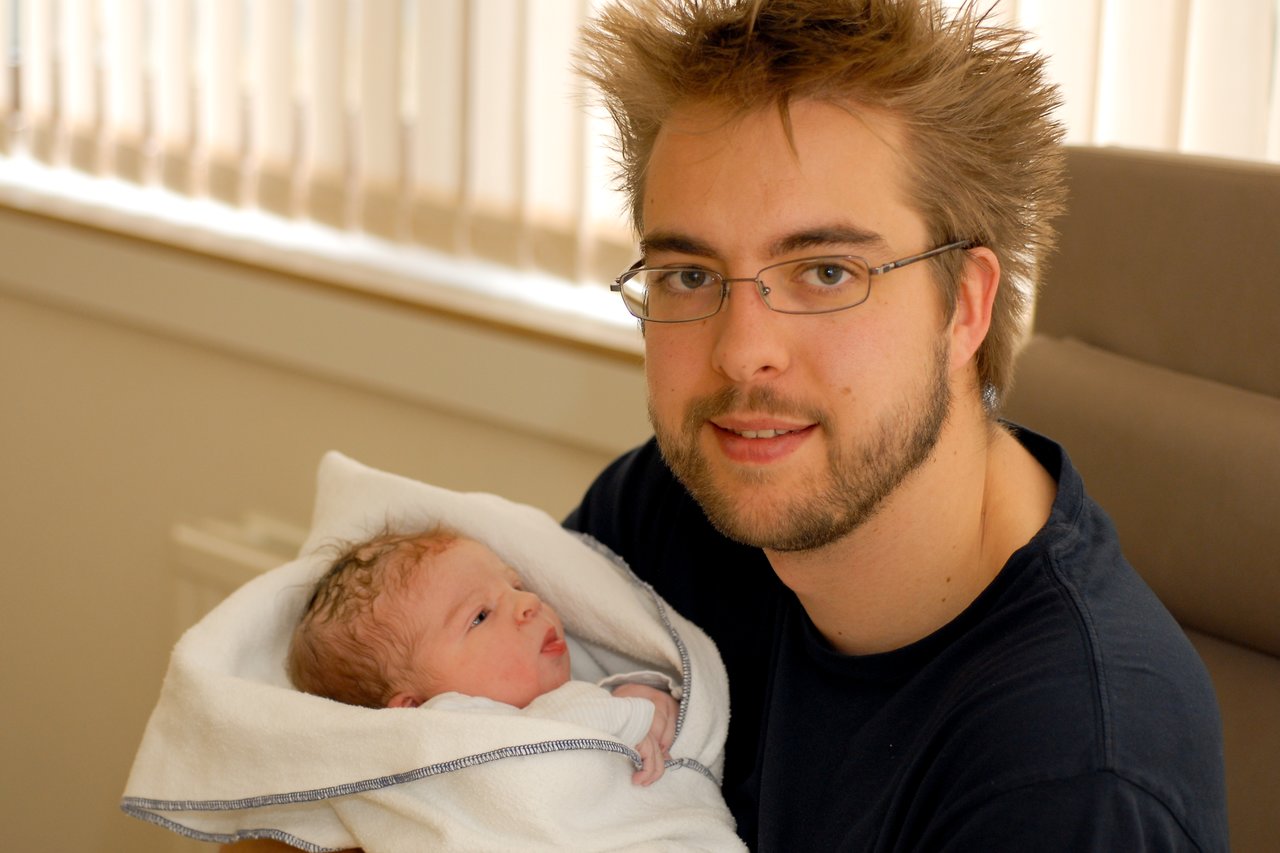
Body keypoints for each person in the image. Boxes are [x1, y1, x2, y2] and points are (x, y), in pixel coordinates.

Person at [563, 0, 1230, 851]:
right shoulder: (675, 504)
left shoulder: (1067, 779)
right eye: (689, 275)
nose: (741, 355)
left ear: (966, 306)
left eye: (827, 270)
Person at [287, 525, 679, 785]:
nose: (527, 602)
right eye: (480, 616)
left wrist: (649, 696)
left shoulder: (572, 699)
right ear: (415, 708)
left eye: (515, 585)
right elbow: (580, 721)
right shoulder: (448, 739)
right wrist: (633, 709)